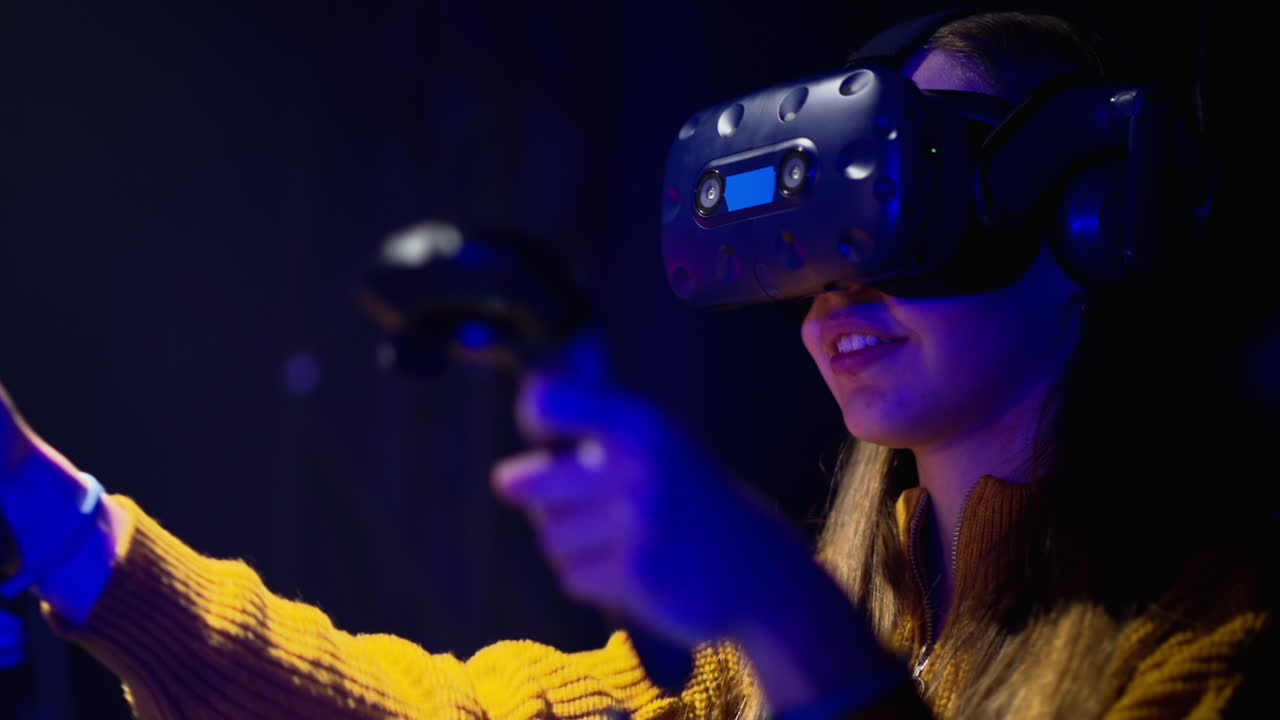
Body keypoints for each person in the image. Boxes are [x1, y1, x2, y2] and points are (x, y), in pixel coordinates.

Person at [0, 10, 1273, 719]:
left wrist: (778, 609)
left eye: (910, 201)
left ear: (1097, 218)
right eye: (818, 237)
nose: (840, 290)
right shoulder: (738, 681)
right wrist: (52, 517)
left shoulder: (1214, 651)